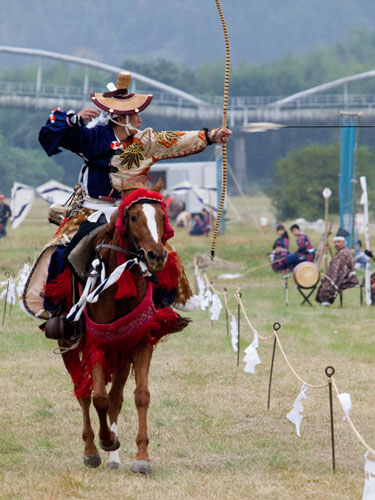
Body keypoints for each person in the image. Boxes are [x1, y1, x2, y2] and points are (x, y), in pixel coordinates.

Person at [36, 71, 232, 321]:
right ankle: (57, 311)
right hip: (91, 209)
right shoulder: (93, 137)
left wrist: (211, 136)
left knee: (164, 253)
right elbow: (52, 133)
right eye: (134, 114)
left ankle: (162, 308)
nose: (139, 119)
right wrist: (74, 119)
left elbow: (175, 140)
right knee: (61, 251)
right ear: (120, 118)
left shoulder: (145, 142)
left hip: (130, 212)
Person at [316, 227, 359, 306]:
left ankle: (326, 300)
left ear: (344, 243)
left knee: (328, 285)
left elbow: (340, 271)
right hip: (338, 276)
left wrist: (331, 279)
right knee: (326, 283)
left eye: (338, 242)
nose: (336, 244)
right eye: (335, 242)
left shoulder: (344, 253)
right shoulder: (339, 252)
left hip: (348, 278)